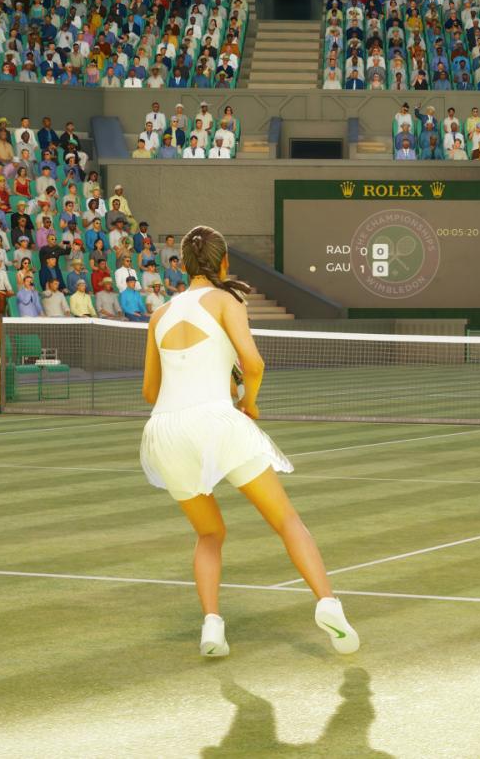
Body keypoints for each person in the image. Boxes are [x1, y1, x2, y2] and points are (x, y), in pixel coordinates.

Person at [140, 225, 357, 657]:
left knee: (209, 533)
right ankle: (327, 603)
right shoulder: (229, 300)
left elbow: (150, 392)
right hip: (216, 421)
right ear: (223, 262)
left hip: (164, 430)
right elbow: (253, 364)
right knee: (286, 520)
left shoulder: (159, 314)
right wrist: (248, 402)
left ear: (184, 265)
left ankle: (212, 626)